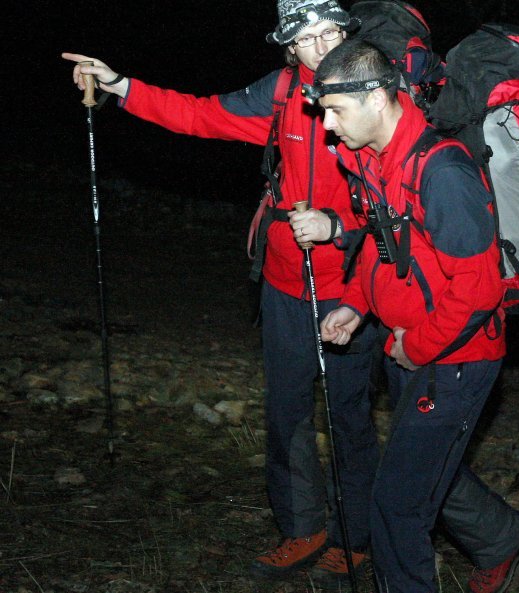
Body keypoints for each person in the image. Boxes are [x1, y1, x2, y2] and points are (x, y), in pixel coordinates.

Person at [64, 0, 381, 585]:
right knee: (285, 412)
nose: (321, 49)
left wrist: (345, 234)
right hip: (287, 282)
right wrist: (122, 85)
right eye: (306, 39)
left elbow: (406, 208)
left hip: (356, 288)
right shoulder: (283, 91)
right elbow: (200, 115)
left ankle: (356, 537)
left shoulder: (376, 90)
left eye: (330, 33)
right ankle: (301, 528)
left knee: (349, 419)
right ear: (289, 47)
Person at [310, 40, 519, 593]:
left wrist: (416, 346)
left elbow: (480, 289)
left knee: (396, 507)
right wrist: (356, 305)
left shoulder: (443, 173)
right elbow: (382, 245)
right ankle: (504, 538)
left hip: (455, 359)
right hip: (409, 343)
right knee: (425, 469)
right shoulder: (375, 159)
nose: (326, 126)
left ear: (377, 96)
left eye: (335, 110)